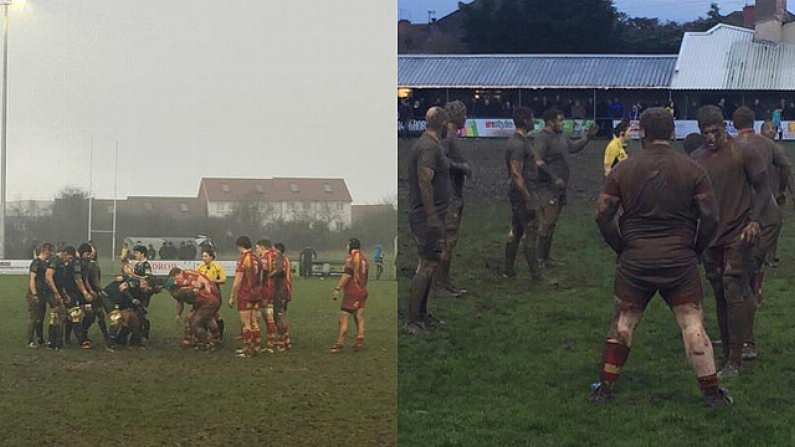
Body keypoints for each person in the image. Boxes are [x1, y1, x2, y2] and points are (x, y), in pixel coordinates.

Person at [588, 107, 731, 408]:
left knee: (624, 322)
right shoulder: (692, 169)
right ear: (673, 133)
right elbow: (711, 217)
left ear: (642, 133)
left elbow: (602, 214)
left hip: (636, 260)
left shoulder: (623, 169)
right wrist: (696, 248)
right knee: (692, 324)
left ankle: (605, 387)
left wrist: (621, 246)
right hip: (679, 260)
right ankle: (712, 394)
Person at [691, 105, 771, 378]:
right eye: (706, 133)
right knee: (719, 294)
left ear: (724, 126)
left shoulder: (743, 151)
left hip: (739, 232)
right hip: (711, 235)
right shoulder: (697, 159)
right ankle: (728, 352)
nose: (711, 137)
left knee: (733, 288)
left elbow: (763, 188)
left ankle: (736, 358)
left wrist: (755, 221)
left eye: (715, 131)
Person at [732, 107, 789, 360]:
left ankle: (745, 341)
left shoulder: (730, 146)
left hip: (742, 216)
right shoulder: (766, 144)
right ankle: (744, 337)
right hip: (768, 215)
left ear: (732, 124)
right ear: (753, 123)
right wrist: (781, 191)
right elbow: (786, 165)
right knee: (751, 273)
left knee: (740, 280)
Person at [532, 108, 598, 268]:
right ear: (550, 122)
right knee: (547, 223)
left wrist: (587, 137)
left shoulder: (559, 136)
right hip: (546, 187)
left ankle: (546, 258)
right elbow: (538, 161)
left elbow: (573, 147)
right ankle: (539, 259)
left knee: (552, 223)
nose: (563, 123)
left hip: (559, 187)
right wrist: (554, 177)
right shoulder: (542, 138)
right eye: (560, 120)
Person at [406, 106, 450, 335]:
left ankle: (423, 315)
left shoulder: (431, 145)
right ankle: (413, 321)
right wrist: (432, 217)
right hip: (426, 217)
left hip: (430, 216)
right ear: (443, 124)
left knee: (431, 264)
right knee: (426, 265)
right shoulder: (428, 147)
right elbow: (425, 182)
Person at [435, 100, 473, 297]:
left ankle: (445, 281)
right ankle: (440, 285)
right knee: (447, 242)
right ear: (455, 116)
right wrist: (462, 167)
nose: (466, 118)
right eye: (464, 114)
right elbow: (440, 160)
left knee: (450, 242)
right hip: (449, 198)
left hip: (454, 195)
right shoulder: (447, 138)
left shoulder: (450, 137)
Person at [504, 106, 542, 281]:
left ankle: (508, 270)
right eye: (532, 118)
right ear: (526, 121)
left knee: (517, 230)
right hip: (523, 193)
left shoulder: (521, 141)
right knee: (531, 230)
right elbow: (516, 173)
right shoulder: (518, 144)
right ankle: (536, 274)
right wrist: (528, 198)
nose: (534, 120)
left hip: (519, 192)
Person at [165, 267, 221, 350]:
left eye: (176, 278)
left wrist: (204, 291)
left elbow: (202, 283)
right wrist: (178, 314)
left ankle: (205, 342)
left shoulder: (188, 279)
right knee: (204, 319)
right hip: (207, 301)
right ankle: (215, 339)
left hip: (210, 299)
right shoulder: (181, 287)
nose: (176, 281)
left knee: (195, 322)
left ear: (179, 274)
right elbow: (180, 301)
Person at [330, 238, 369, 353]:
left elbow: (347, 275)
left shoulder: (351, 258)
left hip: (352, 292)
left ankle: (339, 343)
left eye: (347, 245)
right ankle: (360, 339)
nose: (346, 247)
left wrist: (337, 289)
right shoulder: (364, 259)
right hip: (362, 291)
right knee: (359, 316)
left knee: (344, 317)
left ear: (351, 246)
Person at [227, 236, 261, 358]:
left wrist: (232, 296)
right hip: (257, 293)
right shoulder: (256, 257)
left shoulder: (244, 258)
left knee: (246, 323)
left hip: (246, 294)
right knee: (254, 322)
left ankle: (248, 350)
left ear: (240, 246)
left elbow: (237, 281)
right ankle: (256, 346)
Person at [78, 243, 112, 349]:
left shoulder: (92, 264)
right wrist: (97, 290)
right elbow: (88, 280)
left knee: (98, 314)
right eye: (89, 252)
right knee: (92, 315)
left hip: (94, 293)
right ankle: (83, 335)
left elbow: (92, 279)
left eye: (92, 251)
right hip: (89, 294)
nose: (91, 253)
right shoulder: (87, 264)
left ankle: (106, 337)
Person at [196, 248, 226, 341]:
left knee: (214, 314)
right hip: (202, 294)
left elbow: (223, 279)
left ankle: (219, 335)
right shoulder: (200, 267)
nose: (203, 258)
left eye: (205, 256)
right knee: (204, 314)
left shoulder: (217, 267)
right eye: (203, 256)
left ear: (211, 257)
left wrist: (213, 281)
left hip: (214, 294)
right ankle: (206, 336)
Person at [27, 242, 53, 348]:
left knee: (41, 318)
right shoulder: (36, 262)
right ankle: (30, 340)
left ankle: (40, 338)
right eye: (50, 250)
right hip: (35, 294)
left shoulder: (45, 263)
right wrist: (34, 294)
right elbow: (32, 279)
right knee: (33, 318)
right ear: (44, 250)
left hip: (43, 294)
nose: (51, 253)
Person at [256, 239, 279, 352]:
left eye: (257, 248)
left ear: (262, 247)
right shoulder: (276, 255)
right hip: (274, 288)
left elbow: (262, 273)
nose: (257, 251)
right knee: (270, 314)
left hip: (265, 288)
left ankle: (260, 342)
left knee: (262, 314)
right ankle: (272, 341)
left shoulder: (265, 257)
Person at [271, 243, 293, 352]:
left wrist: (268, 276)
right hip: (286, 290)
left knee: (278, 316)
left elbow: (279, 270)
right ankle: (286, 340)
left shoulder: (279, 258)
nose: (272, 251)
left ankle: (281, 343)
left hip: (281, 291)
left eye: (273, 249)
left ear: (278, 250)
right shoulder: (286, 259)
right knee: (282, 315)